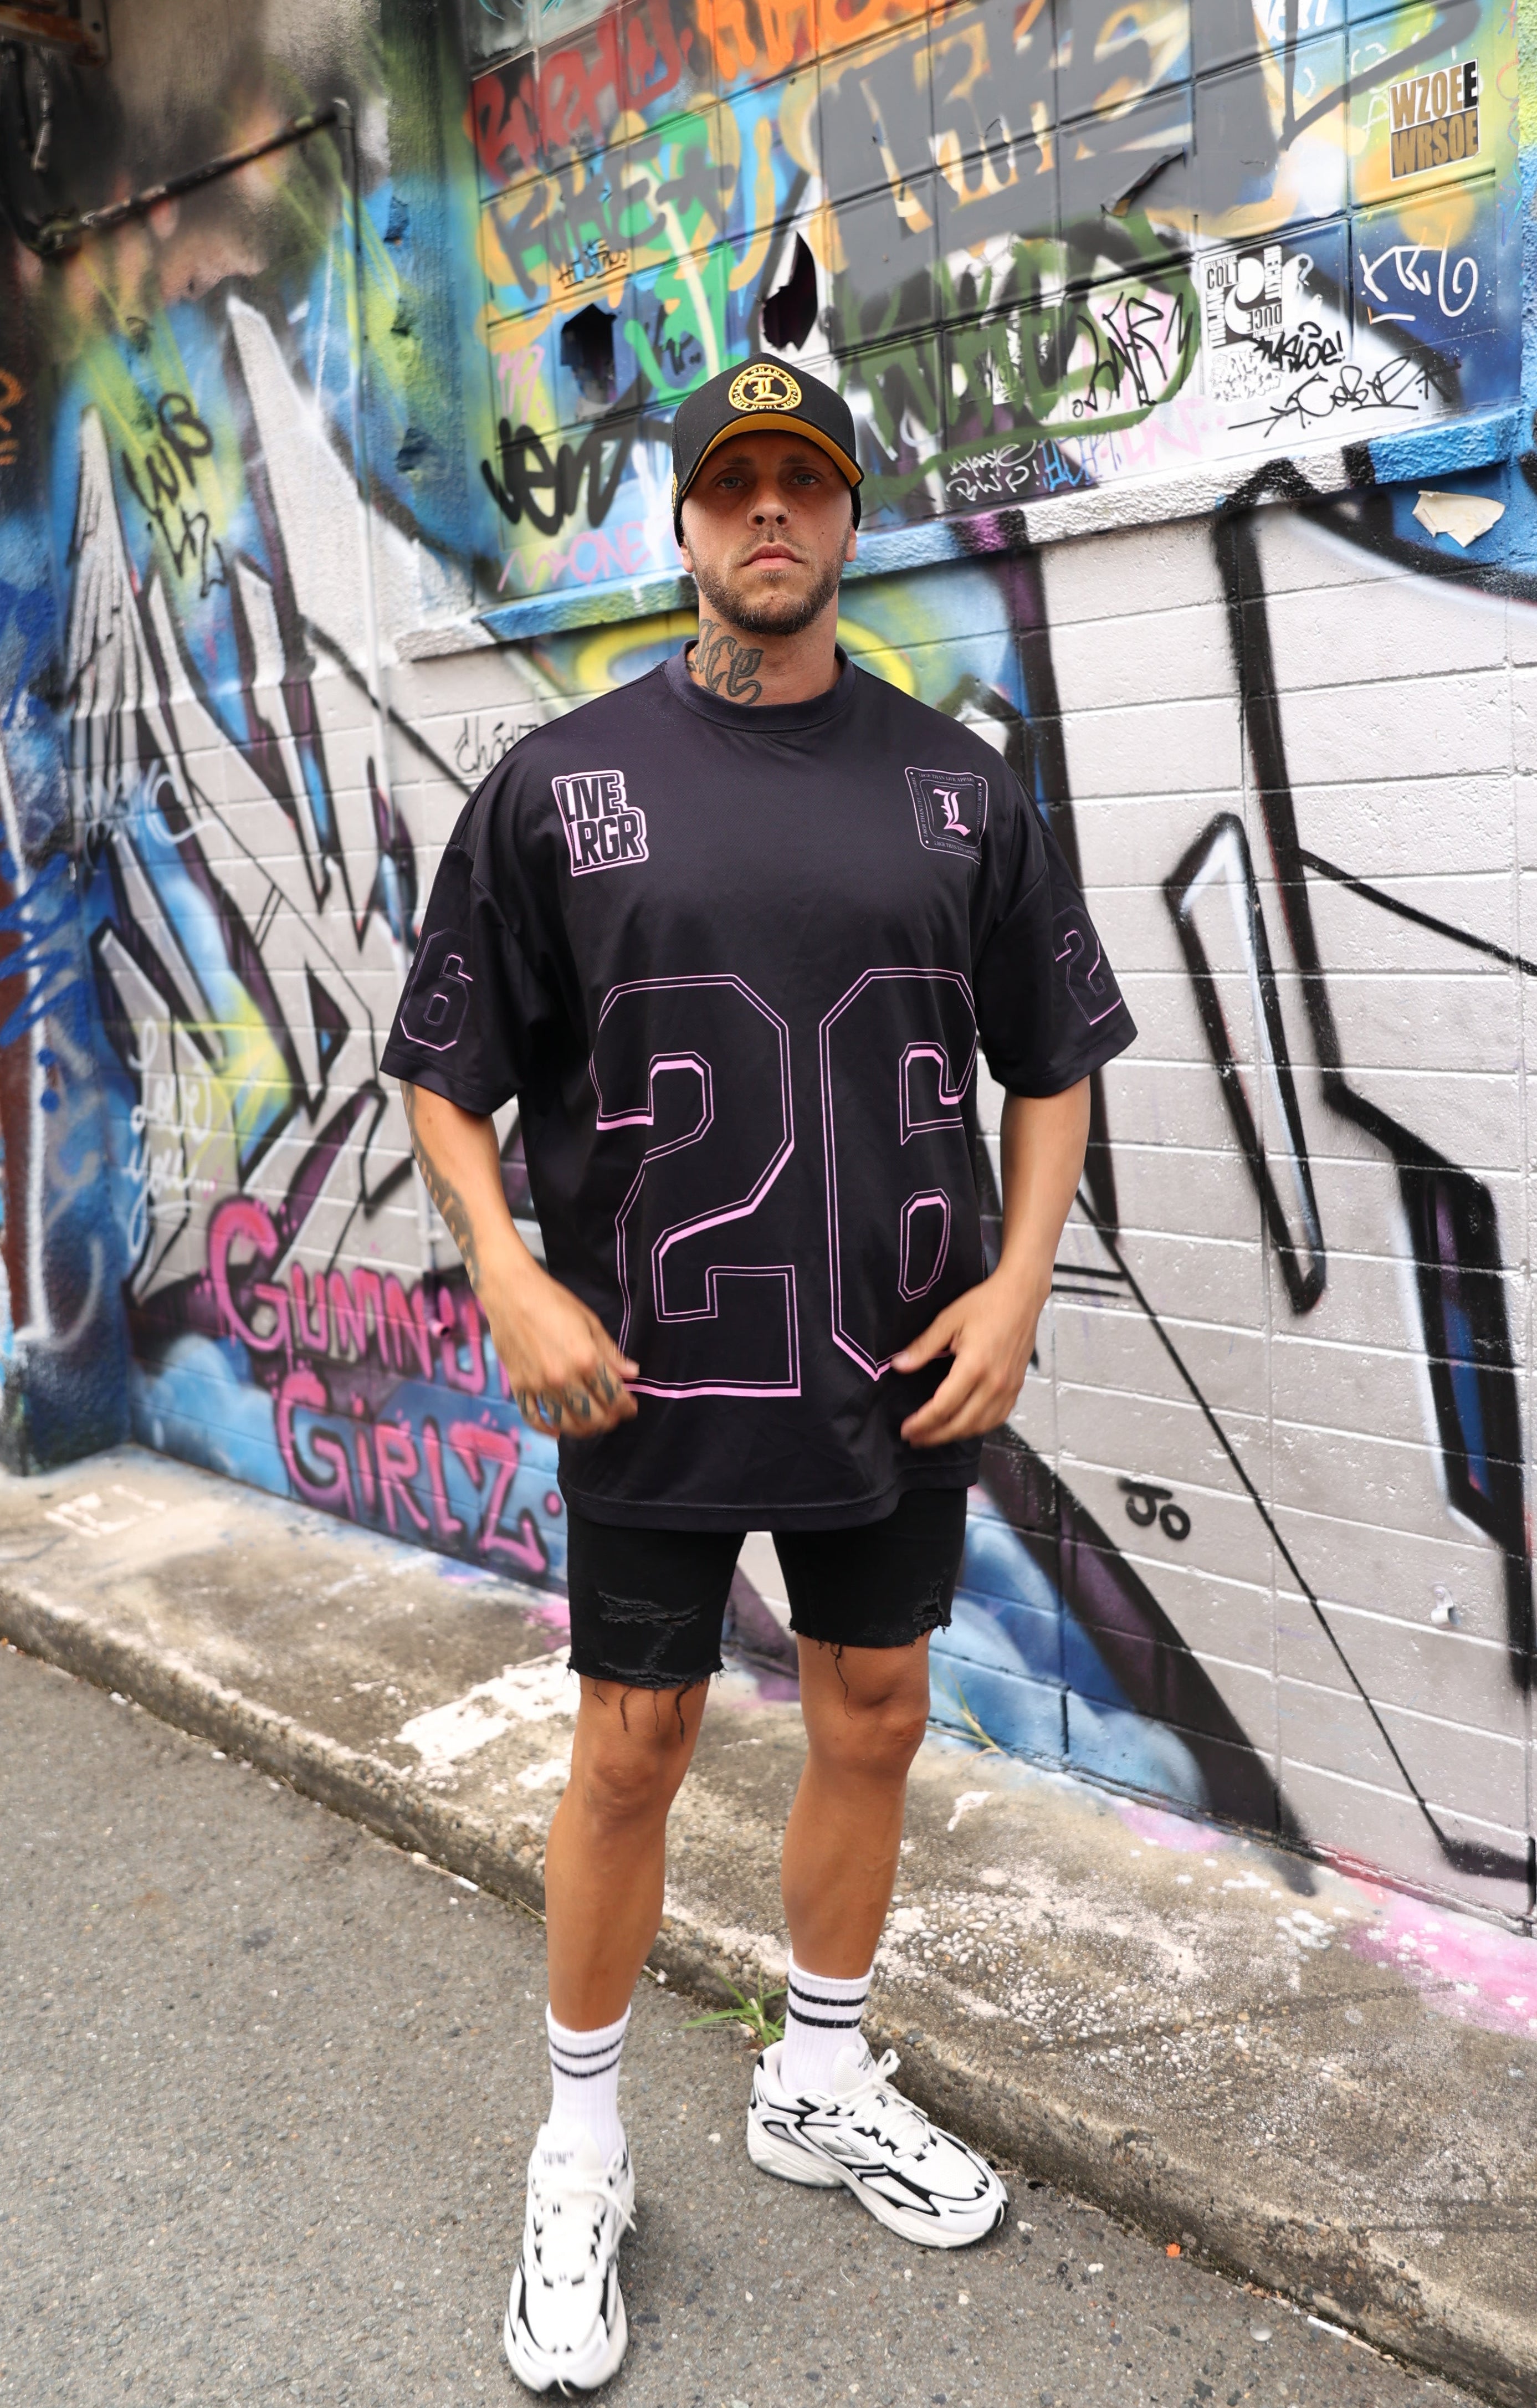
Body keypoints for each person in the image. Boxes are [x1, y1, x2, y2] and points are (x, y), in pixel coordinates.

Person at [381, 355, 1136, 2394]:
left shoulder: (961, 782)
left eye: (806, 480)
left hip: (896, 1358)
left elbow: (1051, 1055)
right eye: (735, 486)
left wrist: (1019, 1282)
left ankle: (814, 2070)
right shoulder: (560, 783)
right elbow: (447, 1071)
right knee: (631, 1744)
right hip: (647, 1370)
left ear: (848, 517)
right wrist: (508, 1275)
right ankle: (582, 2142)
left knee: (873, 1708)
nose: (770, 514)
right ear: (687, 528)